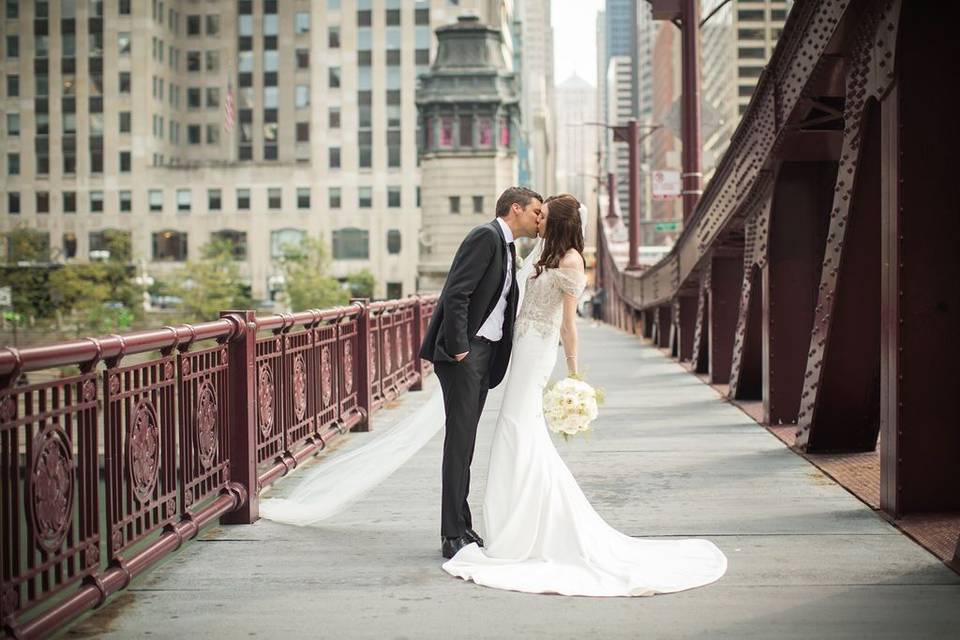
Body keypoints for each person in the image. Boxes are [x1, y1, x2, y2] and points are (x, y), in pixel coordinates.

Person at [441, 194, 728, 596]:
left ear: (554, 223)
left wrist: (575, 374)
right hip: (519, 349)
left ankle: (524, 530)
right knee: (513, 428)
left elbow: (568, 325)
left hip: (538, 351)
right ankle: (503, 525)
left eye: (543, 216)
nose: (538, 221)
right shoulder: (540, 254)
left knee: (519, 428)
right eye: (535, 213)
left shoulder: (572, 261)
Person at [418, 186, 543, 560]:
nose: (540, 219)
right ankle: (450, 535)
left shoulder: (508, 248)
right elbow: (457, 294)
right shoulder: (485, 237)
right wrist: (460, 348)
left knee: (466, 444)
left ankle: (461, 524)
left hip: (484, 354)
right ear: (515, 208)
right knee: (459, 445)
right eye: (536, 211)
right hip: (464, 355)